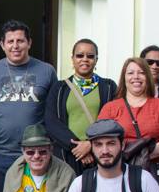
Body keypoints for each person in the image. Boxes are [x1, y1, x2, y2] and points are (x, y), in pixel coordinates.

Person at [0, 20, 57, 192]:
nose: (16, 46)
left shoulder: (46, 71)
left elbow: (52, 112)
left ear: (29, 43)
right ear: (2, 44)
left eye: (20, 41)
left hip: (35, 155)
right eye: (11, 41)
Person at [98, 57, 159, 192]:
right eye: (130, 73)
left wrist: (148, 152)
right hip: (119, 171)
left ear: (147, 77)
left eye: (141, 72)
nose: (136, 77)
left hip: (153, 171)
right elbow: (100, 138)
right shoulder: (111, 107)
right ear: (124, 78)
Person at [46, 38, 118, 175]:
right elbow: (51, 121)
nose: (85, 59)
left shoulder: (108, 87)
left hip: (100, 154)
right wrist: (78, 147)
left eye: (90, 56)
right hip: (67, 155)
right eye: (80, 55)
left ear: (96, 59)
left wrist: (91, 145)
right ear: (72, 59)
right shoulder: (60, 88)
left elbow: (114, 120)